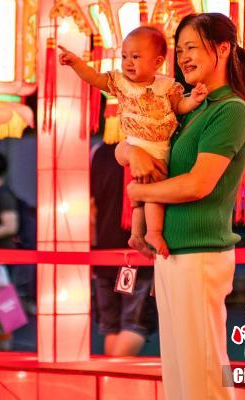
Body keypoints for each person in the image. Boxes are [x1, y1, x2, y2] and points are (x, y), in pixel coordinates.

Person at [119, 13, 245, 400]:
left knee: (203, 374)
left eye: (193, 47)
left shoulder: (230, 110)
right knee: (179, 374)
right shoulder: (188, 105)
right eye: (179, 51)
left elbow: (198, 184)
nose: (184, 58)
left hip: (200, 253)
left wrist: (139, 194)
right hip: (172, 253)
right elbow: (132, 141)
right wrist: (130, 151)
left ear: (224, 48)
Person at [59, 25, 208, 257]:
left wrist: (194, 100)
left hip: (161, 148)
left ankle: (137, 236)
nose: (128, 62)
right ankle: (153, 233)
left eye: (136, 57)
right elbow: (94, 78)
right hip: (139, 144)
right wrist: (76, 63)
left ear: (157, 62)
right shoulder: (121, 84)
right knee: (154, 192)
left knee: (145, 194)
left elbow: (179, 106)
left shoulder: (166, 86)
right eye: (124, 56)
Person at [90, 142, 157, 356]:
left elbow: (91, 210)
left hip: (104, 255)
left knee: (114, 327)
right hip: (137, 255)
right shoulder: (149, 148)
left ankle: (110, 383)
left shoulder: (98, 152)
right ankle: (113, 383)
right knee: (134, 324)